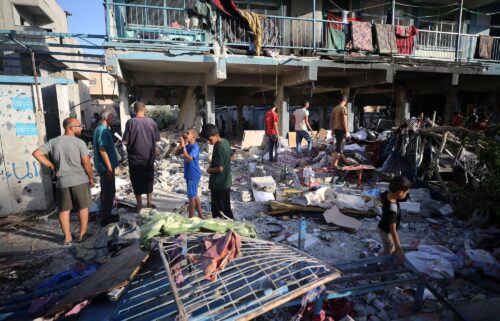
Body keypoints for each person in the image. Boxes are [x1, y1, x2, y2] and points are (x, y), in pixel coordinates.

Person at [32, 118, 93, 245]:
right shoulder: (79, 143)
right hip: (80, 180)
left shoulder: (53, 142)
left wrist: (51, 166)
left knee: (64, 210)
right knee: (83, 208)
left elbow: (36, 153)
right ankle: (82, 236)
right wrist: (91, 177)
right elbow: (86, 162)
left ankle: (67, 238)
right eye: (79, 126)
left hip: (62, 181)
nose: (81, 128)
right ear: (71, 127)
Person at [122, 101, 160, 212]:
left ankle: (139, 205)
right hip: (148, 157)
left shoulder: (130, 122)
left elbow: (125, 141)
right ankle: (149, 203)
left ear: (134, 110)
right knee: (149, 179)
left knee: (136, 180)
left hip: (134, 158)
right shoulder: (152, 122)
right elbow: (157, 139)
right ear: (145, 110)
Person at [200, 124, 234, 219]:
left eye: (210, 139)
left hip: (219, 184)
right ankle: (231, 227)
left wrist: (208, 169)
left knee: (218, 211)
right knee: (226, 208)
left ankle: (224, 230)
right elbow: (231, 156)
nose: (209, 142)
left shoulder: (219, 147)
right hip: (225, 182)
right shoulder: (225, 142)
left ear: (216, 135)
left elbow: (220, 169)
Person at [93, 110, 120, 226]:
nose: (114, 118)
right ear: (106, 117)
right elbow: (102, 150)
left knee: (107, 191)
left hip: (105, 167)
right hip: (106, 168)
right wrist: (109, 168)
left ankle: (106, 215)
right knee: (109, 192)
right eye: (112, 116)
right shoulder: (102, 131)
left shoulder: (101, 130)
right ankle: (105, 219)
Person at [378, 176, 411, 263]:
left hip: (382, 226)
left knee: (388, 247)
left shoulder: (385, 194)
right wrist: (399, 248)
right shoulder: (392, 209)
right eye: (406, 192)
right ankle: (381, 267)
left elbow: (381, 197)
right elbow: (393, 230)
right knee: (390, 250)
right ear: (400, 192)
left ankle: (382, 255)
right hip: (387, 231)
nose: (407, 194)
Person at [176, 128, 203, 218]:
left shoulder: (195, 147)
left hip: (193, 174)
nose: (185, 134)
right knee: (194, 195)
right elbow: (176, 153)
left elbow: (188, 158)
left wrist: (184, 146)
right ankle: (200, 214)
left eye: (187, 133)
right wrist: (181, 144)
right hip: (189, 173)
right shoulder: (187, 146)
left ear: (193, 137)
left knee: (191, 197)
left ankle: (191, 217)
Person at [330, 95, 349, 167]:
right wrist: (346, 131)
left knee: (338, 146)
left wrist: (332, 130)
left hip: (336, 129)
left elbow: (331, 120)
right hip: (341, 130)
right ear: (345, 100)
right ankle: (334, 164)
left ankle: (334, 162)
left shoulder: (335, 108)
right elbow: (344, 120)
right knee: (340, 148)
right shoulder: (343, 108)